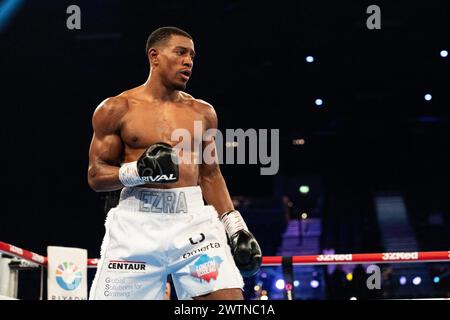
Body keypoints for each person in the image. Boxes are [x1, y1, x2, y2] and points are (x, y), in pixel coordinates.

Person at [87, 26, 262, 300]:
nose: (188, 61)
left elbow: (210, 175)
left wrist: (235, 227)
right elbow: (96, 175)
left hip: (192, 222)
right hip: (136, 224)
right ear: (154, 56)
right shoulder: (116, 108)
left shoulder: (203, 112)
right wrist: (139, 171)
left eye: (192, 55)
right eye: (180, 52)